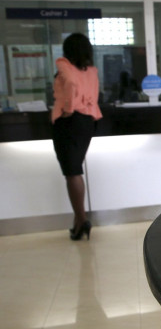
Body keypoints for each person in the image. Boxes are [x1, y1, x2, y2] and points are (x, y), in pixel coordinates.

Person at [51, 33, 102, 240]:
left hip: (70, 121)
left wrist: (68, 109)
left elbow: (71, 84)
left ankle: (82, 221)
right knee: (75, 169)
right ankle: (78, 221)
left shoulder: (64, 65)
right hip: (88, 121)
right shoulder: (91, 70)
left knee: (72, 172)